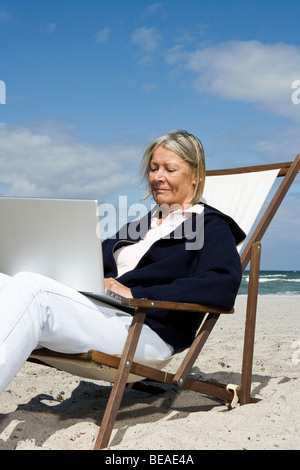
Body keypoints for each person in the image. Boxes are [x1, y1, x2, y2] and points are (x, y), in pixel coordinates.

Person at [0, 130, 245, 394]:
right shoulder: (140, 225)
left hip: (146, 330)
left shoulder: (210, 226)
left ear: (196, 175)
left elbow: (222, 285)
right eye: (153, 168)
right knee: (6, 280)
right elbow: (92, 261)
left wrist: (136, 293)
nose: (158, 177)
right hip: (106, 313)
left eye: (170, 169)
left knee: (32, 289)